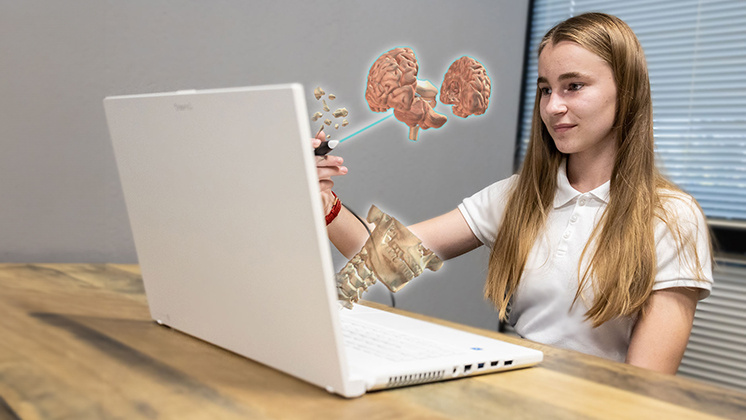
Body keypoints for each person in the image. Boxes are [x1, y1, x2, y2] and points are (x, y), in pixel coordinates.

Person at [314, 12, 713, 374]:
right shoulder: (519, 196)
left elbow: (645, 387)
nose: (553, 106)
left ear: (626, 92)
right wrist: (325, 201)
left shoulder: (672, 217)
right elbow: (385, 259)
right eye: (545, 89)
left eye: (573, 86)